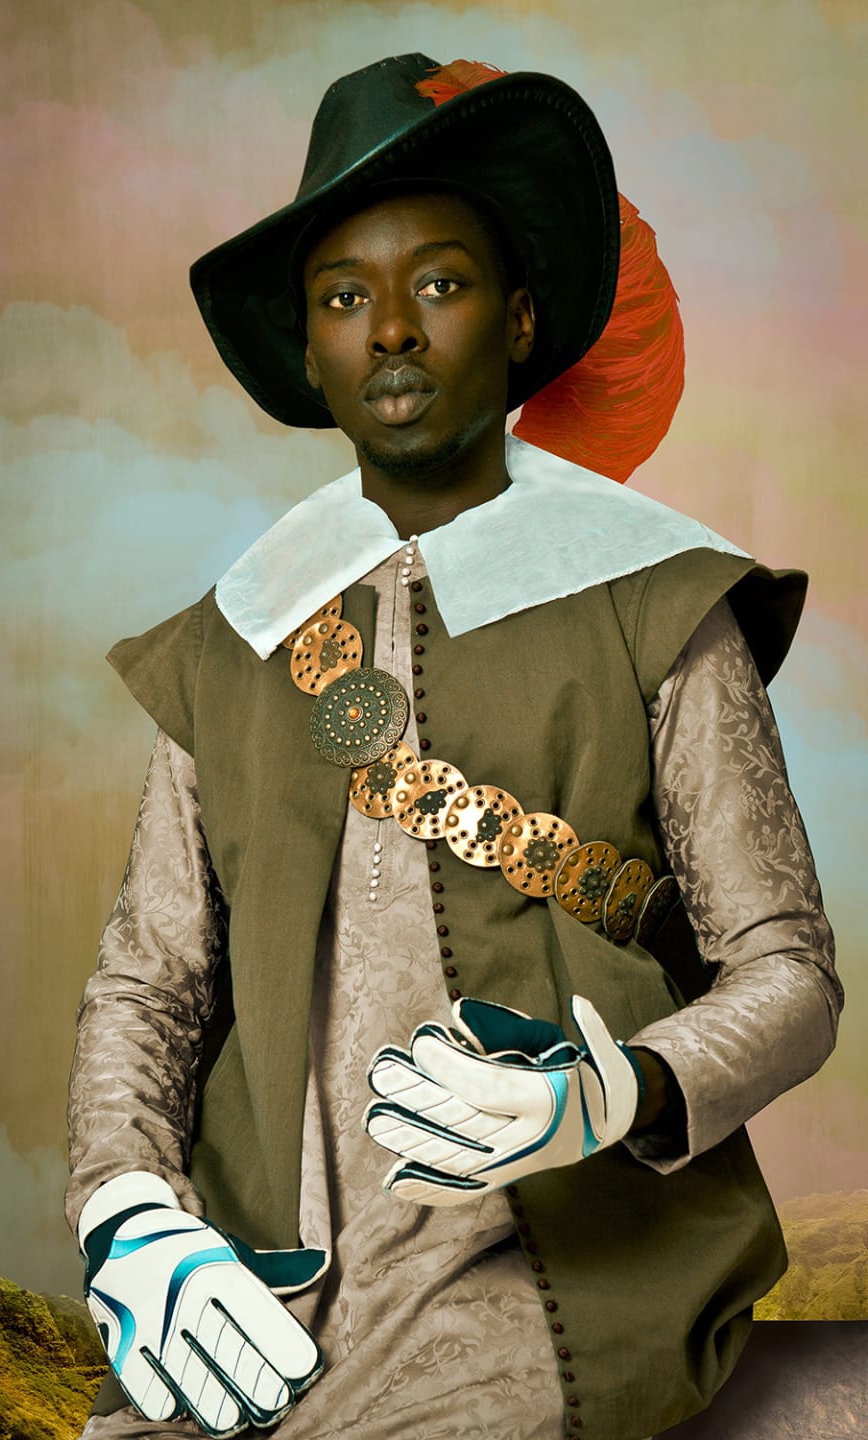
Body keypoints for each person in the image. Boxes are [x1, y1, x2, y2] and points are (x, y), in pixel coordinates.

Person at [66, 54, 842, 1440]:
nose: (394, 333)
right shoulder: (234, 637)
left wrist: (620, 1090)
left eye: (440, 283)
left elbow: (786, 974)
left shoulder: (658, 604)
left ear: (521, 317)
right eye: (347, 300)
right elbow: (149, 985)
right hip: (262, 1288)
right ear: (310, 353)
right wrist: (127, 1211)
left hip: (555, 1279)